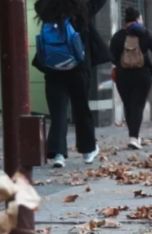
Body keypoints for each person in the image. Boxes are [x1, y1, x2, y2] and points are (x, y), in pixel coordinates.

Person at [33, 0, 112, 168]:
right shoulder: (82, 8)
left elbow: (37, 4)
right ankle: (87, 151)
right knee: (82, 109)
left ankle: (59, 154)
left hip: (53, 68)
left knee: (58, 112)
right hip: (78, 68)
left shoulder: (46, 8)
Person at [110, 7, 152, 150]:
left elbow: (111, 55)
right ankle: (134, 137)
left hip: (123, 76)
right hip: (142, 75)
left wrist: (119, 64)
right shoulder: (146, 34)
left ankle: (133, 136)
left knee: (128, 106)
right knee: (138, 106)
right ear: (138, 19)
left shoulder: (118, 36)